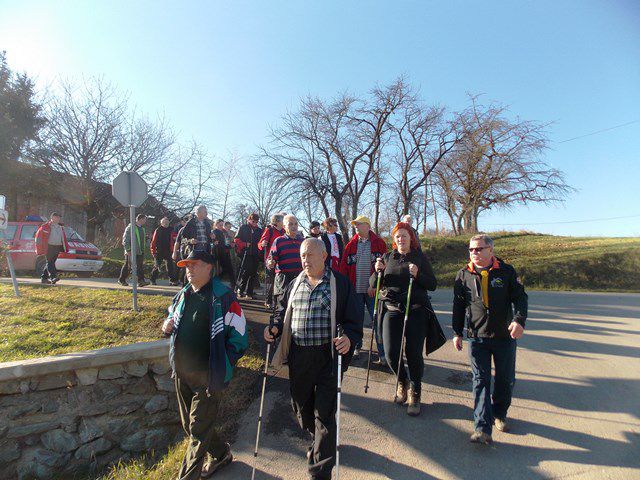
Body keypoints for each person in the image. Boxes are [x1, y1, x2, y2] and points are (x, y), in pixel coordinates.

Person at [265, 238, 363, 480]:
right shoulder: (293, 283)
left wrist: (349, 337)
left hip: (327, 357)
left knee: (325, 414)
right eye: (302, 256)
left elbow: (354, 318)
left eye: (309, 255)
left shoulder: (339, 283)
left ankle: (319, 470)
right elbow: (280, 310)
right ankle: (318, 438)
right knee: (302, 409)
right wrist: (274, 328)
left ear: (324, 256)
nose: (305, 260)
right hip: (299, 356)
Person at [162, 250, 248, 478]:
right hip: (181, 373)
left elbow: (240, 338)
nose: (188, 269)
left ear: (209, 267)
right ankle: (221, 454)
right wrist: (166, 326)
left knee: (198, 431)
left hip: (208, 377)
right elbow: (171, 317)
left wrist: (222, 368)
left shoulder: (224, 296)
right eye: (186, 265)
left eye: (194, 264)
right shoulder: (183, 294)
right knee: (191, 426)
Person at [452, 234, 528, 444]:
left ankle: (499, 414)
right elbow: (458, 305)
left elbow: (520, 297)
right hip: (477, 337)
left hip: (504, 337)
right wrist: (457, 332)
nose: (474, 253)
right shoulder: (463, 275)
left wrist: (519, 320)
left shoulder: (506, 271)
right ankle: (482, 427)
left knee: (505, 380)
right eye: (471, 250)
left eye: (479, 249)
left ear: (490, 251)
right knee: (480, 381)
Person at [373, 222, 437, 416]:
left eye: (404, 236)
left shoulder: (419, 257)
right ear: (394, 240)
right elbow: (374, 284)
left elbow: (432, 284)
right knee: (391, 354)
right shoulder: (387, 257)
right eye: (397, 236)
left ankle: (415, 392)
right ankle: (402, 381)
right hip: (392, 310)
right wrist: (378, 271)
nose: (401, 239)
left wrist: (417, 275)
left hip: (415, 311)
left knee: (413, 353)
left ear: (411, 238)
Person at [339, 215, 387, 358]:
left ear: (367, 226)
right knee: (356, 321)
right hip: (355, 291)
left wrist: (376, 286)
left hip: (374, 291)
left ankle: (383, 354)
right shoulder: (350, 245)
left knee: (378, 322)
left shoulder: (379, 243)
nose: (356, 227)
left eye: (358, 224)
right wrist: (346, 289)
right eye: (355, 225)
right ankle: (356, 347)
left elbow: (385, 269)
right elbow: (343, 268)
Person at [267, 214, 304, 306]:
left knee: (297, 307)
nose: (294, 226)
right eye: (290, 224)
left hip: (299, 277)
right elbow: (271, 259)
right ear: (284, 226)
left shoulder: (302, 241)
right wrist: (270, 263)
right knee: (281, 308)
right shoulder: (279, 241)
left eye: (295, 224)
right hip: (283, 278)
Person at [234, 213, 263, 299]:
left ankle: (250, 292)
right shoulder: (243, 227)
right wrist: (244, 244)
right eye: (253, 221)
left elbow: (261, 241)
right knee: (245, 273)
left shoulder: (259, 230)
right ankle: (241, 290)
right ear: (249, 219)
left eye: (257, 221)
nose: (255, 223)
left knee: (253, 274)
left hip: (255, 254)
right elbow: (236, 239)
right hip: (245, 253)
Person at [258, 214, 285, 308]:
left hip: (282, 259)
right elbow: (260, 244)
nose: (284, 222)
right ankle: (268, 300)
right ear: (277, 221)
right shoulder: (269, 230)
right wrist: (262, 243)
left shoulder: (284, 231)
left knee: (280, 280)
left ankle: (278, 301)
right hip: (271, 259)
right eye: (283, 220)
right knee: (272, 280)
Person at [35, 212, 67, 285]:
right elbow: (38, 238)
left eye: (59, 217)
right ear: (52, 218)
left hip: (57, 247)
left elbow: (63, 238)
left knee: (50, 262)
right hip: (48, 247)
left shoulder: (60, 227)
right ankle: (53, 277)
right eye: (56, 217)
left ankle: (44, 279)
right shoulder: (45, 226)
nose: (58, 219)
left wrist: (64, 247)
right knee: (50, 262)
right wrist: (39, 248)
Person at [119, 213, 149, 287]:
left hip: (140, 251)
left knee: (140, 266)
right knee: (128, 266)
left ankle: (141, 281)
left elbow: (140, 239)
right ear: (140, 219)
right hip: (131, 251)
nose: (145, 221)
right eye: (144, 219)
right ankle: (121, 280)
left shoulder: (142, 228)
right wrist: (128, 250)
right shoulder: (130, 227)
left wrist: (146, 238)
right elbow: (125, 240)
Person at [150, 217, 179, 286]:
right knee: (157, 266)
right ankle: (153, 280)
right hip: (159, 251)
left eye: (167, 222)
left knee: (170, 267)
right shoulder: (158, 230)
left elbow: (176, 237)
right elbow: (153, 242)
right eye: (164, 222)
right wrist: (153, 251)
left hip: (169, 251)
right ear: (161, 223)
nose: (166, 224)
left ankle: (172, 280)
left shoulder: (171, 229)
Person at [212, 219, 235, 289]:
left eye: (222, 225)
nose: (221, 226)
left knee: (229, 269)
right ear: (216, 225)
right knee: (226, 269)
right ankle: (216, 282)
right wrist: (229, 246)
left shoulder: (222, 232)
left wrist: (230, 245)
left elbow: (224, 242)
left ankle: (233, 285)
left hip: (225, 252)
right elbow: (218, 244)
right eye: (220, 225)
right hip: (219, 253)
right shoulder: (215, 232)